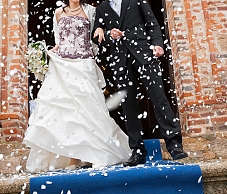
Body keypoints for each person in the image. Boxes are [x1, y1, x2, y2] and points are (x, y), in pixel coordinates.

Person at [23, 0, 131, 173]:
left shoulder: (91, 11)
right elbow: (59, 40)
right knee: (68, 113)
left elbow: (97, 33)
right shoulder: (58, 12)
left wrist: (102, 29)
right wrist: (43, 53)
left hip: (84, 64)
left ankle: (97, 154)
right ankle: (73, 157)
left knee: (88, 110)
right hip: (63, 65)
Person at [92, 0, 188, 167]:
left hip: (145, 54)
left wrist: (157, 44)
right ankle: (137, 150)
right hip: (120, 61)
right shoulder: (101, 9)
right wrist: (108, 35)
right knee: (128, 106)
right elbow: (97, 37)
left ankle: (174, 145)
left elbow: (151, 23)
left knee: (159, 98)